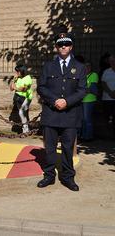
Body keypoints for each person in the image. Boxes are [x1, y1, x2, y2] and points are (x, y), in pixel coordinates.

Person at [37, 32, 86, 191]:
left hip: (70, 114)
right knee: (50, 148)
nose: (63, 46)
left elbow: (82, 90)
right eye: (60, 44)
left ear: (71, 46)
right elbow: (41, 87)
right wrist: (54, 100)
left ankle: (67, 177)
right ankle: (49, 175)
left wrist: (66, 101)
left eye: (66, 44)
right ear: (56, 47)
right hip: (51, 113)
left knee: (67, 147)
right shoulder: (48, 66)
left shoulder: (79, 67)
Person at [10, 64, 33, 133]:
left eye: (17, 72)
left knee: (21, 112)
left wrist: (15, 88)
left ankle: (25, 130)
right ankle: (27, 128)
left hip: (26, 98)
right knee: (24, 114)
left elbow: (24, 89)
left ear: (21, 71)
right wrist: (14, 79)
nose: (16, 73)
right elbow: (11, 88)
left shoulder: (28, 78)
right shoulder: (17, 78)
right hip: (18, 97)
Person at [81, 61, 99, 141]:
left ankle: (88, 136)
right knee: (82, 119)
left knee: (87, 119)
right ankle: (83, 136)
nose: (87, 68)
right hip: (81, 100)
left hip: (89, 100)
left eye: (89, 66)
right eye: (85, 66)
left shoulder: (94, 75)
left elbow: (92, 89)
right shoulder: (82, 75)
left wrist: (82, 90)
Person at [101, 55, 115, 131]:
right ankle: (108, 133)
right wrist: (110, 92)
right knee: (107, 116)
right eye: (111, 61)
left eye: (114, 61)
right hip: (107, 98)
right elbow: (103, 83)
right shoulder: (106, 71)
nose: (112, 62)